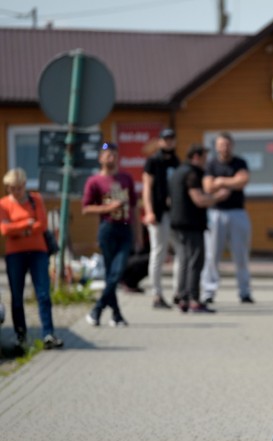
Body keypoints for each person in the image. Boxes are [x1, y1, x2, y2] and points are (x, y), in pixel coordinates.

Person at [0, 168, 63, 350]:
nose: (14, 192)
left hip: (38, 252)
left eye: (18, 188)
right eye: (10, 188)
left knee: (43, 293)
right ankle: (21, 335)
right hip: (15, 254)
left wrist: (16, 228)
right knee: (17, 296)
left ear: (24, 185)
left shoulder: (36, 199)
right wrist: (26, 225)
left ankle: (48, 334)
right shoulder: (4, 204)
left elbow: (41, 225)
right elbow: (4, 230)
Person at [82, 142, 139, 327]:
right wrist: (108, 207)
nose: (111, 157)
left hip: (125, 228)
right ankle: (116, 315)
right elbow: (86, 208)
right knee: (110, 275)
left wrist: (137, 233)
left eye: (114, 154)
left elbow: (133, 207)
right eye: (107, 154)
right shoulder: (95, 181)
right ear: (100, 158)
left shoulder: (125, 178)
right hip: (107, 228)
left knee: (117, 272)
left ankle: (97, 309)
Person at [170, 144, 230, 313]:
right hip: (191, 224)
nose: (206, 161)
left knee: (184, 260)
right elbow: (199, 200)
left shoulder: (178, 171)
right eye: (204, 157)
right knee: (196, 260)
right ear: (196, 157)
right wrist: (217, 197)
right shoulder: (192, 173)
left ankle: (182, 297)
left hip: (177, 223)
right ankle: (194, 299)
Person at [201, 132, 253, 304]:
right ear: (217, 146)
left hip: (237, 212)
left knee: (241, 255)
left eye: (227, 144)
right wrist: (231, 182)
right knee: (212, 255)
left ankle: (244, 292)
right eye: (221, 144)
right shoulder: (211, 164)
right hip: (216, 213)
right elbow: (208, 187)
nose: (225, 147)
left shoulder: (240, 162)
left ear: (232, 145)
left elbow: (243, 181)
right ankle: (209, 291)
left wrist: (221, 181)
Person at [142, 127, 180, 309]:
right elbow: (147, 188)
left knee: (180, 250)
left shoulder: (176, 161)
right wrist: (148, 211)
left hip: (174, 213)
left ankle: (179, 292)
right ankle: (156, 294)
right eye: (165, 139)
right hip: (157, 213)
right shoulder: (153, 161)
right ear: (159, 141)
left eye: (171, 138)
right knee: (158, 252)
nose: (169, 142)